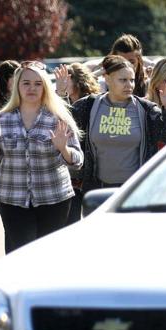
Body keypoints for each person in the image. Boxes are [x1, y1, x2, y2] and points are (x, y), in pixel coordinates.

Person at [0, 60, 83, 253]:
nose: (32, 88)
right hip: (13, 199)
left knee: (46, 253)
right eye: (26, 83)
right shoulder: (3, 119)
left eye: (38, 84)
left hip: (54, 198)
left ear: (45, 87)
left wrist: (63, 149)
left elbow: (77, 161)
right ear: (16, 86)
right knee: (21, 251)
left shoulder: (58, 118)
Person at [72, 55, 166, 194]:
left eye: (132, 80)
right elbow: (62, 123)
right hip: (97, 189)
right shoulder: (88, 106)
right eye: (123, 80)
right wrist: (61, 93)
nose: (129, 85)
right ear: (107, 79)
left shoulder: (146, 109)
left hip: (135, 191)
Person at [54, 63, 100, 224]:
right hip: (70, 173)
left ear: (78, 81)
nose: (62, 82)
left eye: (67, 78)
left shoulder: (92, 103)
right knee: (69, 221)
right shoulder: (58, 101)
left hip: (89, 170)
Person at [0, 60, 19, 253]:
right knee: (12, 227)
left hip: (23, 176)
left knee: (20, 229)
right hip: (0, 178)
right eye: (16, 78)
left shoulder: (26, 101)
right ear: (6, 80)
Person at [87, 34, 151, 97]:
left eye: (132, 62)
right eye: (121, 62)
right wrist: (102, 71)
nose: (127, 66)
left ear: (139, 61)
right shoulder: (104, 84)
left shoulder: (148, 85)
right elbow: (82, 84)